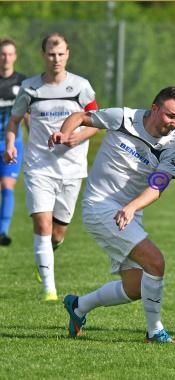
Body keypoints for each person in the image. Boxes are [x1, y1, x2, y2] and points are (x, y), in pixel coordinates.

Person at [49, 86, 175, 344]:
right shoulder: (123, 117)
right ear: (154, 108)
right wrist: (64, 133)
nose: (174, 123)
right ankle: (155, 331)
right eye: (170, 115)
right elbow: (81, 117)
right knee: (156, 263)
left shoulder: (173, 143)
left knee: (135, 287)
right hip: (100, 206)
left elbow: (158, 185)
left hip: (128, 213)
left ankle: (78, 306)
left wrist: (133, 206)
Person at [3, 33, 98, 301]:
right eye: (51, 54)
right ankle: (49, 289)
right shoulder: (30, 88)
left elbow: (97, 120)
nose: (56, 59)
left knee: (57, 234)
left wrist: (78, 136)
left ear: (67, 54)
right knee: (42, 225)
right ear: (43, 55)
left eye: (61, 54)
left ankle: (46, 256)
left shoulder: (81, 87)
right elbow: (14, 122)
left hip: (72, 169)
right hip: (38, 166)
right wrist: (11, 145)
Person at [0, 38, 26, 246]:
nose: (6, 58)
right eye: (2, 54)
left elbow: (28, 116)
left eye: (9, 54)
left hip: (13, 143)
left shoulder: (23, 83)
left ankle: (2, 232)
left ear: (15, 57)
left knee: (7, 185)